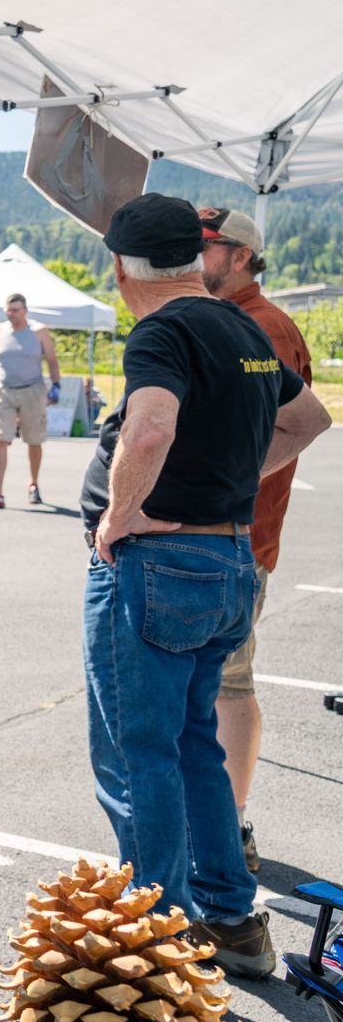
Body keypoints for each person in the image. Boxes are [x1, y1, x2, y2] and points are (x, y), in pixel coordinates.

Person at [80, 193, 331, 979]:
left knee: (136, 752)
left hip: (161, 564)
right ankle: (231, 916)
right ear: (193, 258)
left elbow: (150, 426)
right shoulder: (241, 327)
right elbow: (311, 418)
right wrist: (228, 483)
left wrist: (123, 514)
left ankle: (152, 936)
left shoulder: (162, 328)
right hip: (224, 557)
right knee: (193, 744)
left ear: (122, 269)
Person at [199, 205, 315, 874]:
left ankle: (229, 825)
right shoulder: (239, 321)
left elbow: (293, 425)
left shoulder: (261, 327)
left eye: (205, 246)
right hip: (227, 535)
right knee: (217, 683)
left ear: (241, 255)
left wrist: (219, 487)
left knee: (228, 683)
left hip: (236, 539)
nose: (193, 255)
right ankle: (219, 820)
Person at [0, 294, 61, 508]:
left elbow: (51, 359)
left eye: (15, 310)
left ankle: (33, 483)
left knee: (34, 440)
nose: (11, 314)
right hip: (3, 390)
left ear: (25, 311)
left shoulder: (38, 331)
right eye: (8, 310)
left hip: (32, 390)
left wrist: (56, 385)